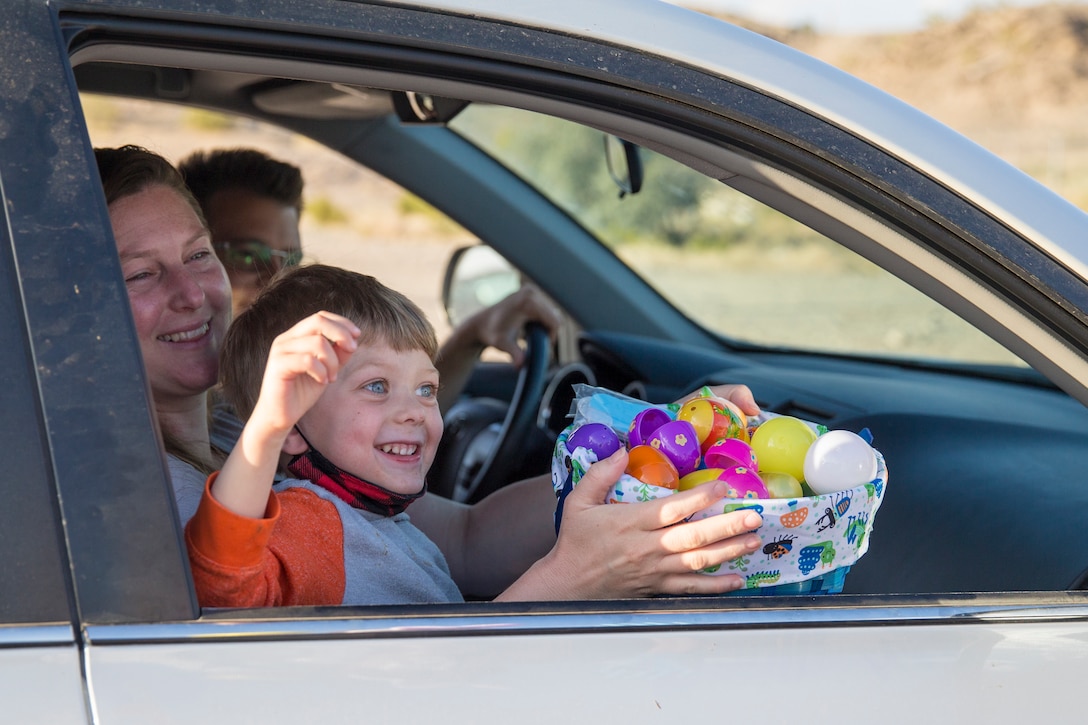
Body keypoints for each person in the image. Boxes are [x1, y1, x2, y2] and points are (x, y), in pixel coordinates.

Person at [97, 144, 764, 605]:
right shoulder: (126, 496)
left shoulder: (241, 429)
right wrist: (573, 578)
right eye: (141, 273)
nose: (195, 293)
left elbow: (468, 539)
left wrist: (657, 441)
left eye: (198, 255)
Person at [185, 263, 767, 605]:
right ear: (292, 426)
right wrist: (264, 428)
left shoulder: (381, 518)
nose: (415, 411)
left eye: (426, 389)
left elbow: (468, 540)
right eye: (375, 388)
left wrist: (666, 440)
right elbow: (223, 582)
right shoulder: (311, 523)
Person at [178, 147, 560, 414]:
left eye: (291, 260)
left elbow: (386, 424)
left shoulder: (261, 393)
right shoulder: (205, 419)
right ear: (195, 257)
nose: (277, 277)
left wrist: (472, 336)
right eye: (248, 256)